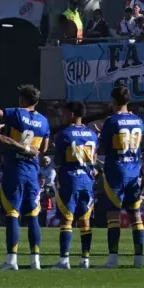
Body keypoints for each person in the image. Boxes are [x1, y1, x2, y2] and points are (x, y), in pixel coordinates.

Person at [0, 85, 50, 270]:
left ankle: (12, 260)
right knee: (33, 215)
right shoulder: (44, 121)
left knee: (12, 214)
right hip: (32, 173)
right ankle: (35, 260)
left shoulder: (16, 113)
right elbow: (43, 149)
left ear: (22, 100)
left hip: (15, 169)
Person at [98, 86, 144, 268]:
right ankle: (139, 259)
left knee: (113, 214)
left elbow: (103, 146)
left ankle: (113, 258)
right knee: (135, 215)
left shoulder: (112, 121)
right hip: (134, 170)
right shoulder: (138, 120)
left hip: (116, 169)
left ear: (113, 101)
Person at [51, 102, 98, 269]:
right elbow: (94, 156)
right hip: (87, 179)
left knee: (67, 219)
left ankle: (64, 260)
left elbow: (58, 159)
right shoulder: (92, 134)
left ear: (71, 114)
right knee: (85, 220)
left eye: (65, 113)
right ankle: (85, 259)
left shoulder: (64, 134)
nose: (63, 116)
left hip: (70, 178)